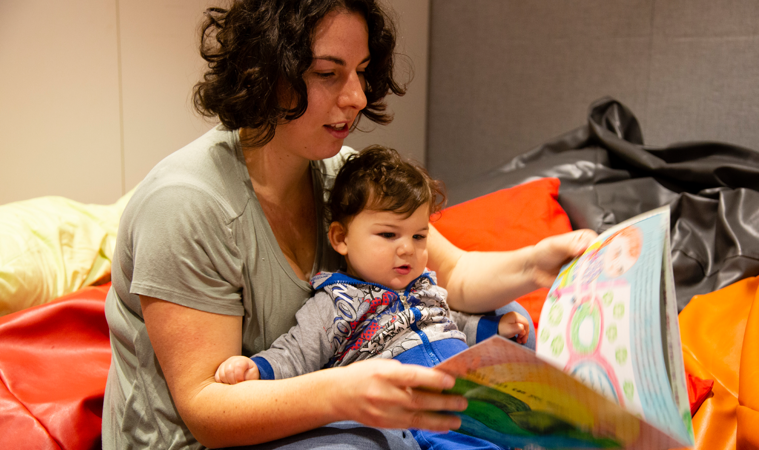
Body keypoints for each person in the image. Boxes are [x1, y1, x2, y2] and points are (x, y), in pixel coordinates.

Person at [101, 0, 597, 448]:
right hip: (206, 440)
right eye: (327, 73)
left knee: (508, 325)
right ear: (263, 71)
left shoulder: (340, 174)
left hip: (325, 405)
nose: (357, 96)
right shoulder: (186, 205)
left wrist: (537, 264)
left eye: (360, 72)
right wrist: (344, 393)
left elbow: (455, 277)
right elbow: (210, 411)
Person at [216, 146, 530, 450]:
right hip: (419, 415)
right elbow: (297, 353)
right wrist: (256, 369)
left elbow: (449, 322)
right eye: (388, 235)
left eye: (419, 236)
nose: (408, 248)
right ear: (341, 239)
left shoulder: (424, 285)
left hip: (473, 396)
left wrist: (492, 329)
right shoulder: (336, 303)